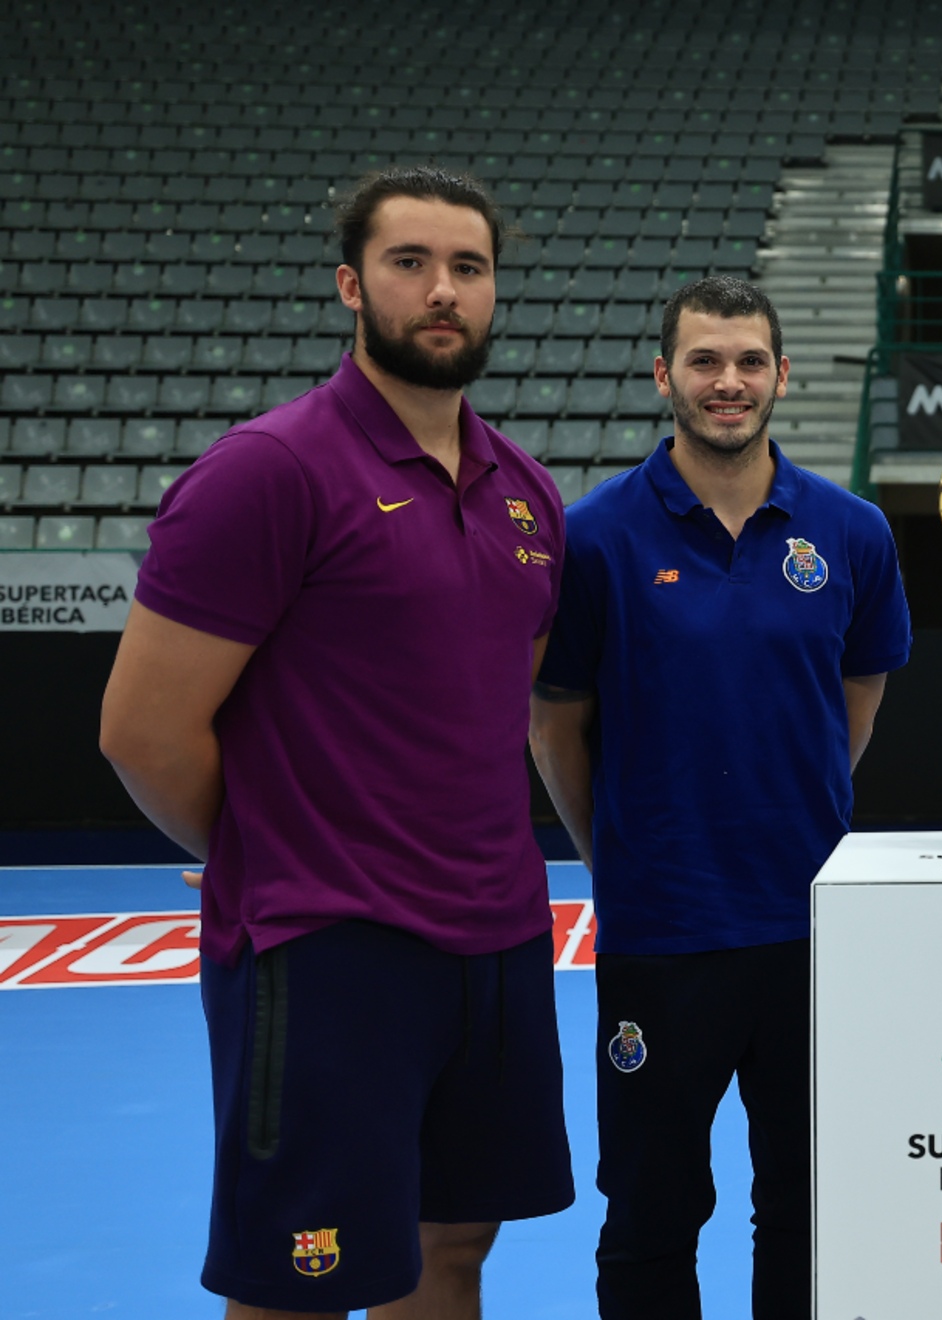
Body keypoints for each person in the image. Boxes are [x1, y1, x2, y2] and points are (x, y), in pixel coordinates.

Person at [97, 165, 574, 1319]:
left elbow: (497, 705)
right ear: (352, 287)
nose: (443, 290)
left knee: (451, 1249)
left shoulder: (528, 495)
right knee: (298, 1280)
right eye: (411, 263)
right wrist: (284, 845)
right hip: (327, 948)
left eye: (468, 267)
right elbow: (141, 733)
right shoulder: (267, 473)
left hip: (497, 937)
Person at [528, 275, 913, 1319]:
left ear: (782, 374)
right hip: (662, 929)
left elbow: (856, 699)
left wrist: (798, 802)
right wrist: (617, 850)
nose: (728, 381)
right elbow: (555, 721)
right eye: (704, 361)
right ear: (664, 377)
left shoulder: (852, 531)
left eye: (749, 361)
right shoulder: (596, 537)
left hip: (809, 929)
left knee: (807, 1205)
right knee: (650, 1209)